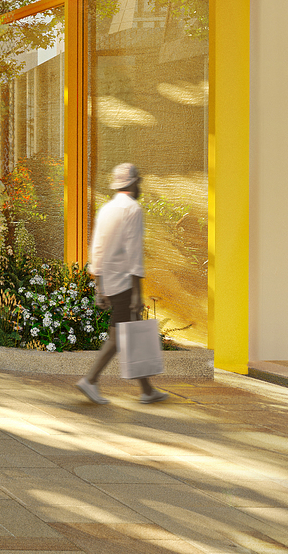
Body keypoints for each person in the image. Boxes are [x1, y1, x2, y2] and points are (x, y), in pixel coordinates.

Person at [78, 163, 164, 405]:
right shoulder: (132, 209)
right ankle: (90, 380)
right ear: (133, 183)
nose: (141, 186)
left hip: (110, 281)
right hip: (126, 282)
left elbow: (97, 248)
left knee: (129, 333)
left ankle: (147, 390)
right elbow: (134, 253)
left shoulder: (106, 209)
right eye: (139, 182)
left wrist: (99, 286)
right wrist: (138, 293)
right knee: (118, 337)